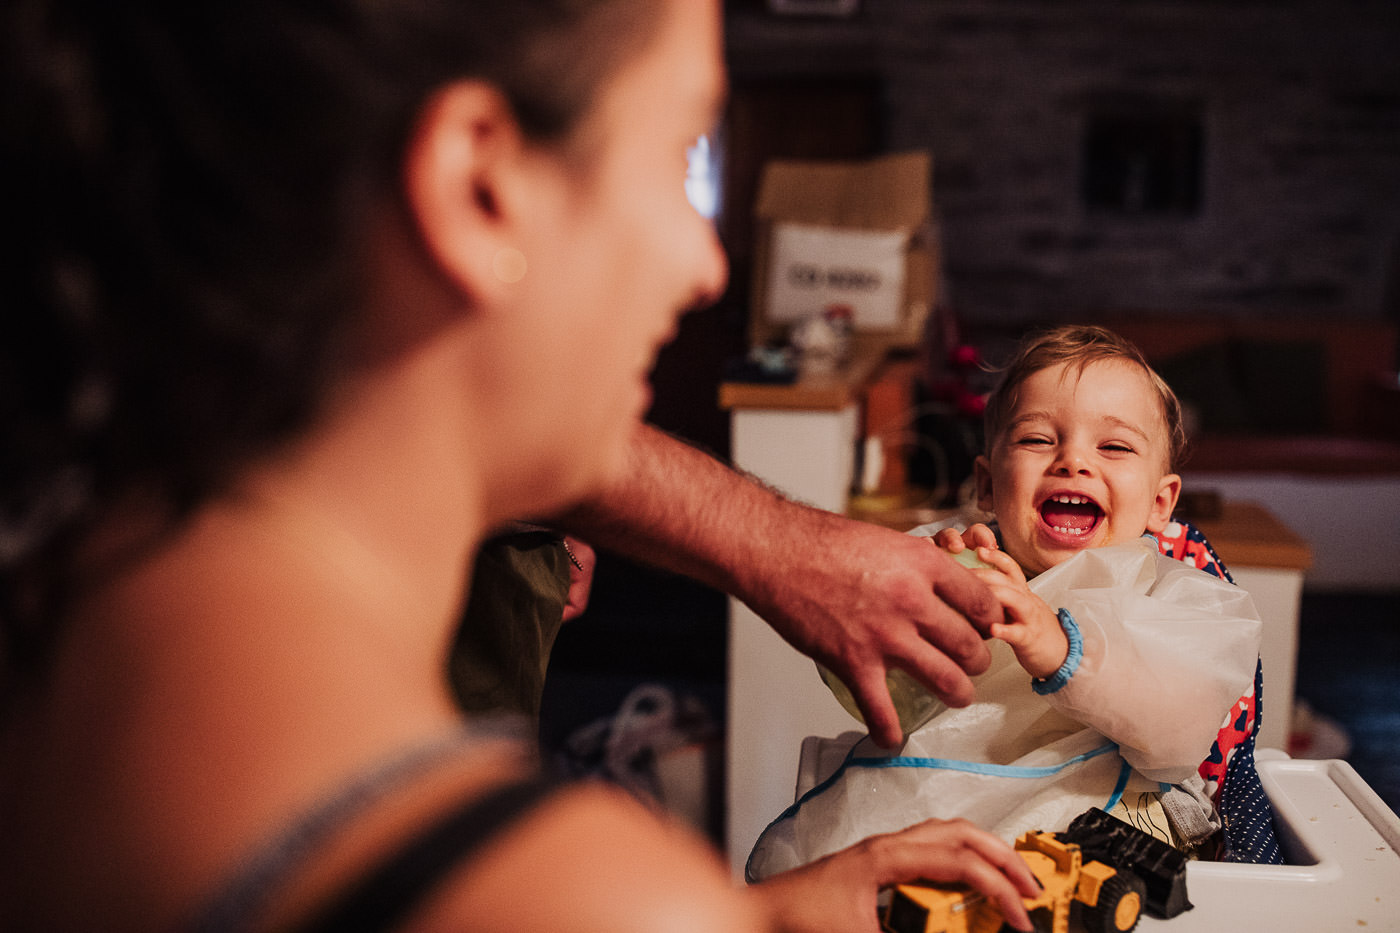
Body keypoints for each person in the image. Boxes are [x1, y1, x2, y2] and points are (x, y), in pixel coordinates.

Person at [0, 2, 1042, 931]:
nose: (704, 259)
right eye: (677, 155)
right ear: (478, 186)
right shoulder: (557, 890)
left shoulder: (72, 623)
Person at [749, 325, 1276, 881]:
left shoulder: (1174, 591)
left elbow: (1181, 725)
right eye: (1036, 440)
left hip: (1111, 813)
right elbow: (868, 671)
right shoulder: (951, 555)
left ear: (1160, 501)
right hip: (937, 791)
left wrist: (1064, 647)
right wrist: (917, 605)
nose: (1072, 461)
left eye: (1114, 446)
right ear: (986, 485)